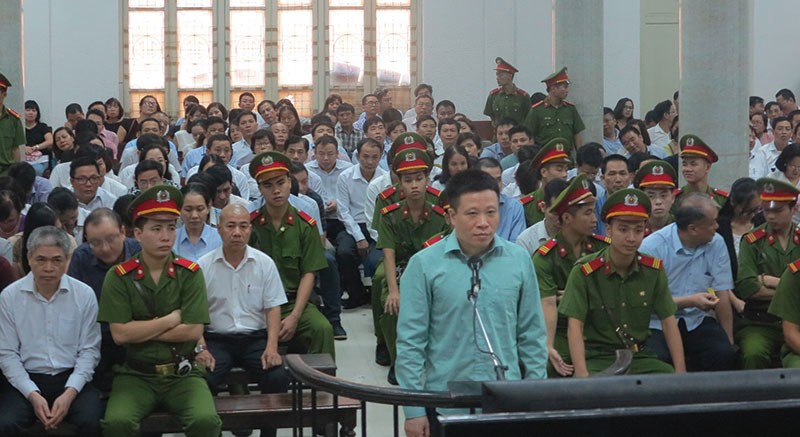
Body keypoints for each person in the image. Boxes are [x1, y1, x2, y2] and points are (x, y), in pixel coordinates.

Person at [396, 169, 547, 436]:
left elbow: (532, 334)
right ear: (452, 216)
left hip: (505, 400)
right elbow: (411, 342)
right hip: (444, 402)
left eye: (491, 212)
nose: (483, 223)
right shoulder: (424, 265)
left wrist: (534, 398)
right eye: (472, 213)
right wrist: (414, 410)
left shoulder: (519, 260)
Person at [98, 185, 221, 436]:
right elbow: (120, 335)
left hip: (182, 374)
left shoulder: (190, 273)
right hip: (136, 374)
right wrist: (171, 319)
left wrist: (142, 329)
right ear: (138, 234)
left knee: (205, 421)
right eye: (156, 229)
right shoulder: (119, 277)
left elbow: (193, 330)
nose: (166, 236)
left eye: (171, 227)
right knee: (116, 423)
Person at [559, 188, 686, 376]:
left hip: (640, 357)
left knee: (667, 383)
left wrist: (681, 372)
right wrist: (582, 373)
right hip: (598, 358)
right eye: (623, 229)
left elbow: (668, 321)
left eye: (638, 230)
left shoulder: (653, 271)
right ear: (608, 229)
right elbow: (575, 326)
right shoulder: (585, 272)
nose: (631, 238)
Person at [196, 204, 288, 437]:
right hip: (216, 339)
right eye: (230, 226)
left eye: (243, 226)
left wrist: (272, 346)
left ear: (250, 229)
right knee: (201, 378)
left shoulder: (264, 263)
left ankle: (269, 433)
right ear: (219, 229)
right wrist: (201, 348)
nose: (237, 232)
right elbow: (194, 313)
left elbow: (273, 308)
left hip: (255, 338)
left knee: (277, 375)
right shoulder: (203, 266)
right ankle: (214, 429)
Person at [0, 226, 102, 436]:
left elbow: (89, 351)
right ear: (29, 258)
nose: (48, 268)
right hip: (26, 378)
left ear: (68, 260)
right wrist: (32, 394)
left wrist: (70, 392)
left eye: (57, 260)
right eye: (41, 259)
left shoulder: (84, 295)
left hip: (72, 376)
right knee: (6, 422)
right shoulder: (10, 297)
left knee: (92, 420)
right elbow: (7, 353)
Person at [248, 151, 335, 357]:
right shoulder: (249, 225)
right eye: (268, 185)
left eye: (280, 182)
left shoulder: (305, 225)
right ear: (259, 189)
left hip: (294, 303)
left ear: (289, 182)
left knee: (322, 329)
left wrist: (295, 316)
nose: (276, 190)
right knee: (236, 338)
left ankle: (320, 387)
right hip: (256, 306)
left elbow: (309, 273)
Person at [640, 194, 737, 371]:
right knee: (659, 359)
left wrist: (729, 339)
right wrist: (691, 301)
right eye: (712, 223)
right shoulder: (651, 248)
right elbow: (646, 302)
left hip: (697, 319)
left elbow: (722, 293)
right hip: (657, 322)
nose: (717, 227)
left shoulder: (717, 243)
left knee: (723, 353)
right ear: (693, 229)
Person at [376, 148, 449, 385]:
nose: (414, 185)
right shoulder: (390, 215)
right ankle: (398, 360)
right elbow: (389, 254)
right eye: (408, 180)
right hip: (402, 271)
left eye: (419, 179)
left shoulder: (440, 213)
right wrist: (394, 290)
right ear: (399, 182)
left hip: (434, 273)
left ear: (428, 180)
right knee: (391, 307)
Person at [533, 174, 609, 377]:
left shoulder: (602, 249)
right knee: (554, 367)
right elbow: (548, 304)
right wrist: (548, 345)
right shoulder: (545, 258)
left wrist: (571, 296)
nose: (594, 219)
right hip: (562, 331)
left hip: (600, 328)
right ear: (566, 218)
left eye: (594, 212)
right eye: (587, 213)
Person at [67, 208, 140, 390]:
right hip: (96, 336)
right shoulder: (82, 258)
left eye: (111, 239)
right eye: (96, 243)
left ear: (123, 232)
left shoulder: (141, 252)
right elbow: (74, 306)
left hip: (135, 334)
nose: (105, 248)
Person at [735, 177, 800, 369]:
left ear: (793, 208)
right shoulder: (752, 241)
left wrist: (766, 280)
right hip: (761, 322)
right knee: (754, 352)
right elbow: (747, 287)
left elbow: (757, 285)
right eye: (766, 210)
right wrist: (791, 289)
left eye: (778, 210)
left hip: (797, 321)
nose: (771, 216)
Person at [336, 138, 386, 309]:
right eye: (366, 157)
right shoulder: (345, 177)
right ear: (357, 156)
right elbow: (343, 211)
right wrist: (358, 237)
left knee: (377, 257)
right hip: (353, 226)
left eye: (375, 157)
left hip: (379, 226)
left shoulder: (385, 179)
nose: (370, 161)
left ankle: (376, 294)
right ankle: (356, 294)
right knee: (343, 252)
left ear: (381, 157)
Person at [523, 67, 585, 151]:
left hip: (566, 155)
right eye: (564, 87)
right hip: (545, 156)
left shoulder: (570, 109)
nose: (567, 90)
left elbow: (577, 135)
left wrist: (580, 156)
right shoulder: (537, 110)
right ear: (553, 88)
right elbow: (529, 136)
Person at [520, 138, 571, 227]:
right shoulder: (527, 205)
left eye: (566, 170)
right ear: (544, 172)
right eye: (559, 169)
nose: (564, 174)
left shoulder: (573, 199)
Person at [673, 134, 728, 210]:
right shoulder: (675, 199)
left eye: (693, 164)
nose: (687, 169)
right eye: (684, 164)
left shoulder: (721, 200)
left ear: (707, 167)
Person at [477, 157, 526, 242]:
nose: (496, 185)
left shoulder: (514, 207)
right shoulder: (467, 206)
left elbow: (516, 245)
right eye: (490, 180)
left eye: (498, 180)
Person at [516, 178, 568, 255]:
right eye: (555, 213)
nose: (560, 218)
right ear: (543, 207)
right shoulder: (526, 240)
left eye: (565, 212)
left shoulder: (580, 233)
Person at [174, 183, 221, 261]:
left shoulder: (220, 238)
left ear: (208, 208)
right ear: (179, 209)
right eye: (188, 210)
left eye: (200, 209)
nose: (194, 216)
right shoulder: (171, 239)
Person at [633, 160, 677, 235]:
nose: (658, 202)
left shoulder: (682, 227)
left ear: (672, 198)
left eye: (663, 196)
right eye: (651, 196)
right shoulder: (633, 228)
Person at [483, 57, 530, 126]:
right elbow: (492, 117)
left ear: (510, 75)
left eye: (501, 74)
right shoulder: (493, 96)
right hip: (500, 134)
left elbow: (528, 118)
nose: (497, 78)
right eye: (497, 74)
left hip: (516, 134)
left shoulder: (523, 97)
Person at [0, 74, 25, 175]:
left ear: (4, 94)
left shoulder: (14, 120)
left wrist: (16, 173)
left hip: (6, 172)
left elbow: (16, 149)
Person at [23, 100, 53, 176]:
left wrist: (36, 147)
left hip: (40, 160)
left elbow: (50, 141)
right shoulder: (20, 127)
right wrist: (23, 149)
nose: (31, 113)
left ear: (37, 113)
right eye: (28, 110)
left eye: (34, 110)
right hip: (24, 159)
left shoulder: (42, 127)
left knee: (36, 169)